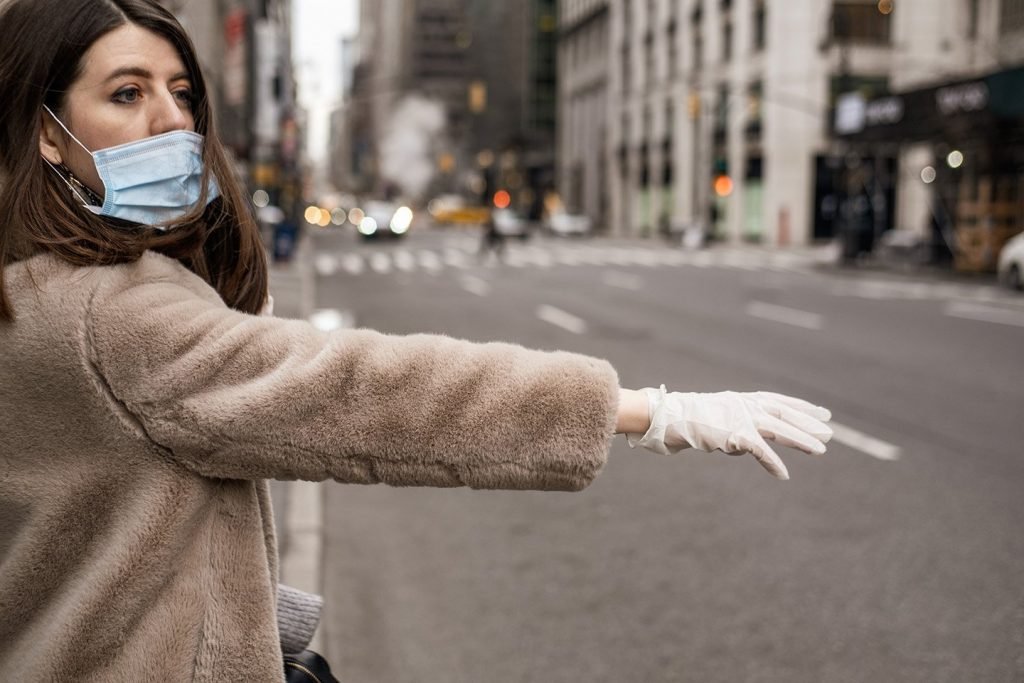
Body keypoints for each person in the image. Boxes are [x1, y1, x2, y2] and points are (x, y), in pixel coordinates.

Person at [0, 1, 833, 680]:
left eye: (182, 93)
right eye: (126, 93)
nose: (172, 121)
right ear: (44, 132)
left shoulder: (28, 288)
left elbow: (76, 530)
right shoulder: (116, 315)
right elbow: (363, 390)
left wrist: (250, 615)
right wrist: (646, 410)